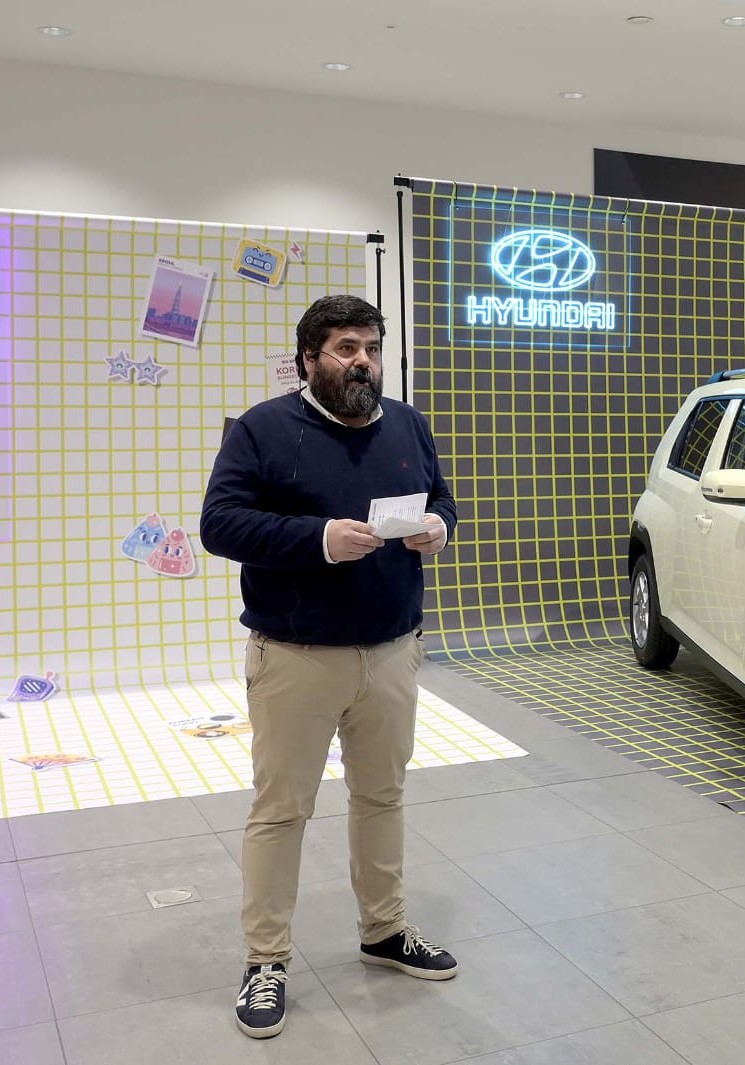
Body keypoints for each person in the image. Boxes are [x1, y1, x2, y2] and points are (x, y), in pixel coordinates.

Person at [200, 294, 459, 1040]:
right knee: (281, 811)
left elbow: (441, 494)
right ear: (310, 357)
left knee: (383, 797)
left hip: (391, 652)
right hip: (295, 657)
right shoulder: (262, 429)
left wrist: (440, 524)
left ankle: (384, 932)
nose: (363, 362)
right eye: (346, 348)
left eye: (371, 347)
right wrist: (316, 539)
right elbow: (220, 522)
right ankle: (265, 960)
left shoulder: (407, 423)